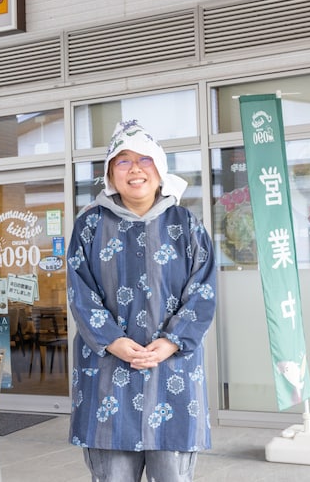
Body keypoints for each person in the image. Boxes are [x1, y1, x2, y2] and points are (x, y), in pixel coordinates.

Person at [66, 119, 217, 482]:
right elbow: (79, 292)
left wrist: (171, 341)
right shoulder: (89, 225)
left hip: (173, 373)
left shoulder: (187, 224)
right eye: (123, 161)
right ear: (110, 174)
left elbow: (204, 291)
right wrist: (113, 341)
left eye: (144, 159)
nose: (135, 169)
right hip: (107, 374)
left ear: (160, 169)